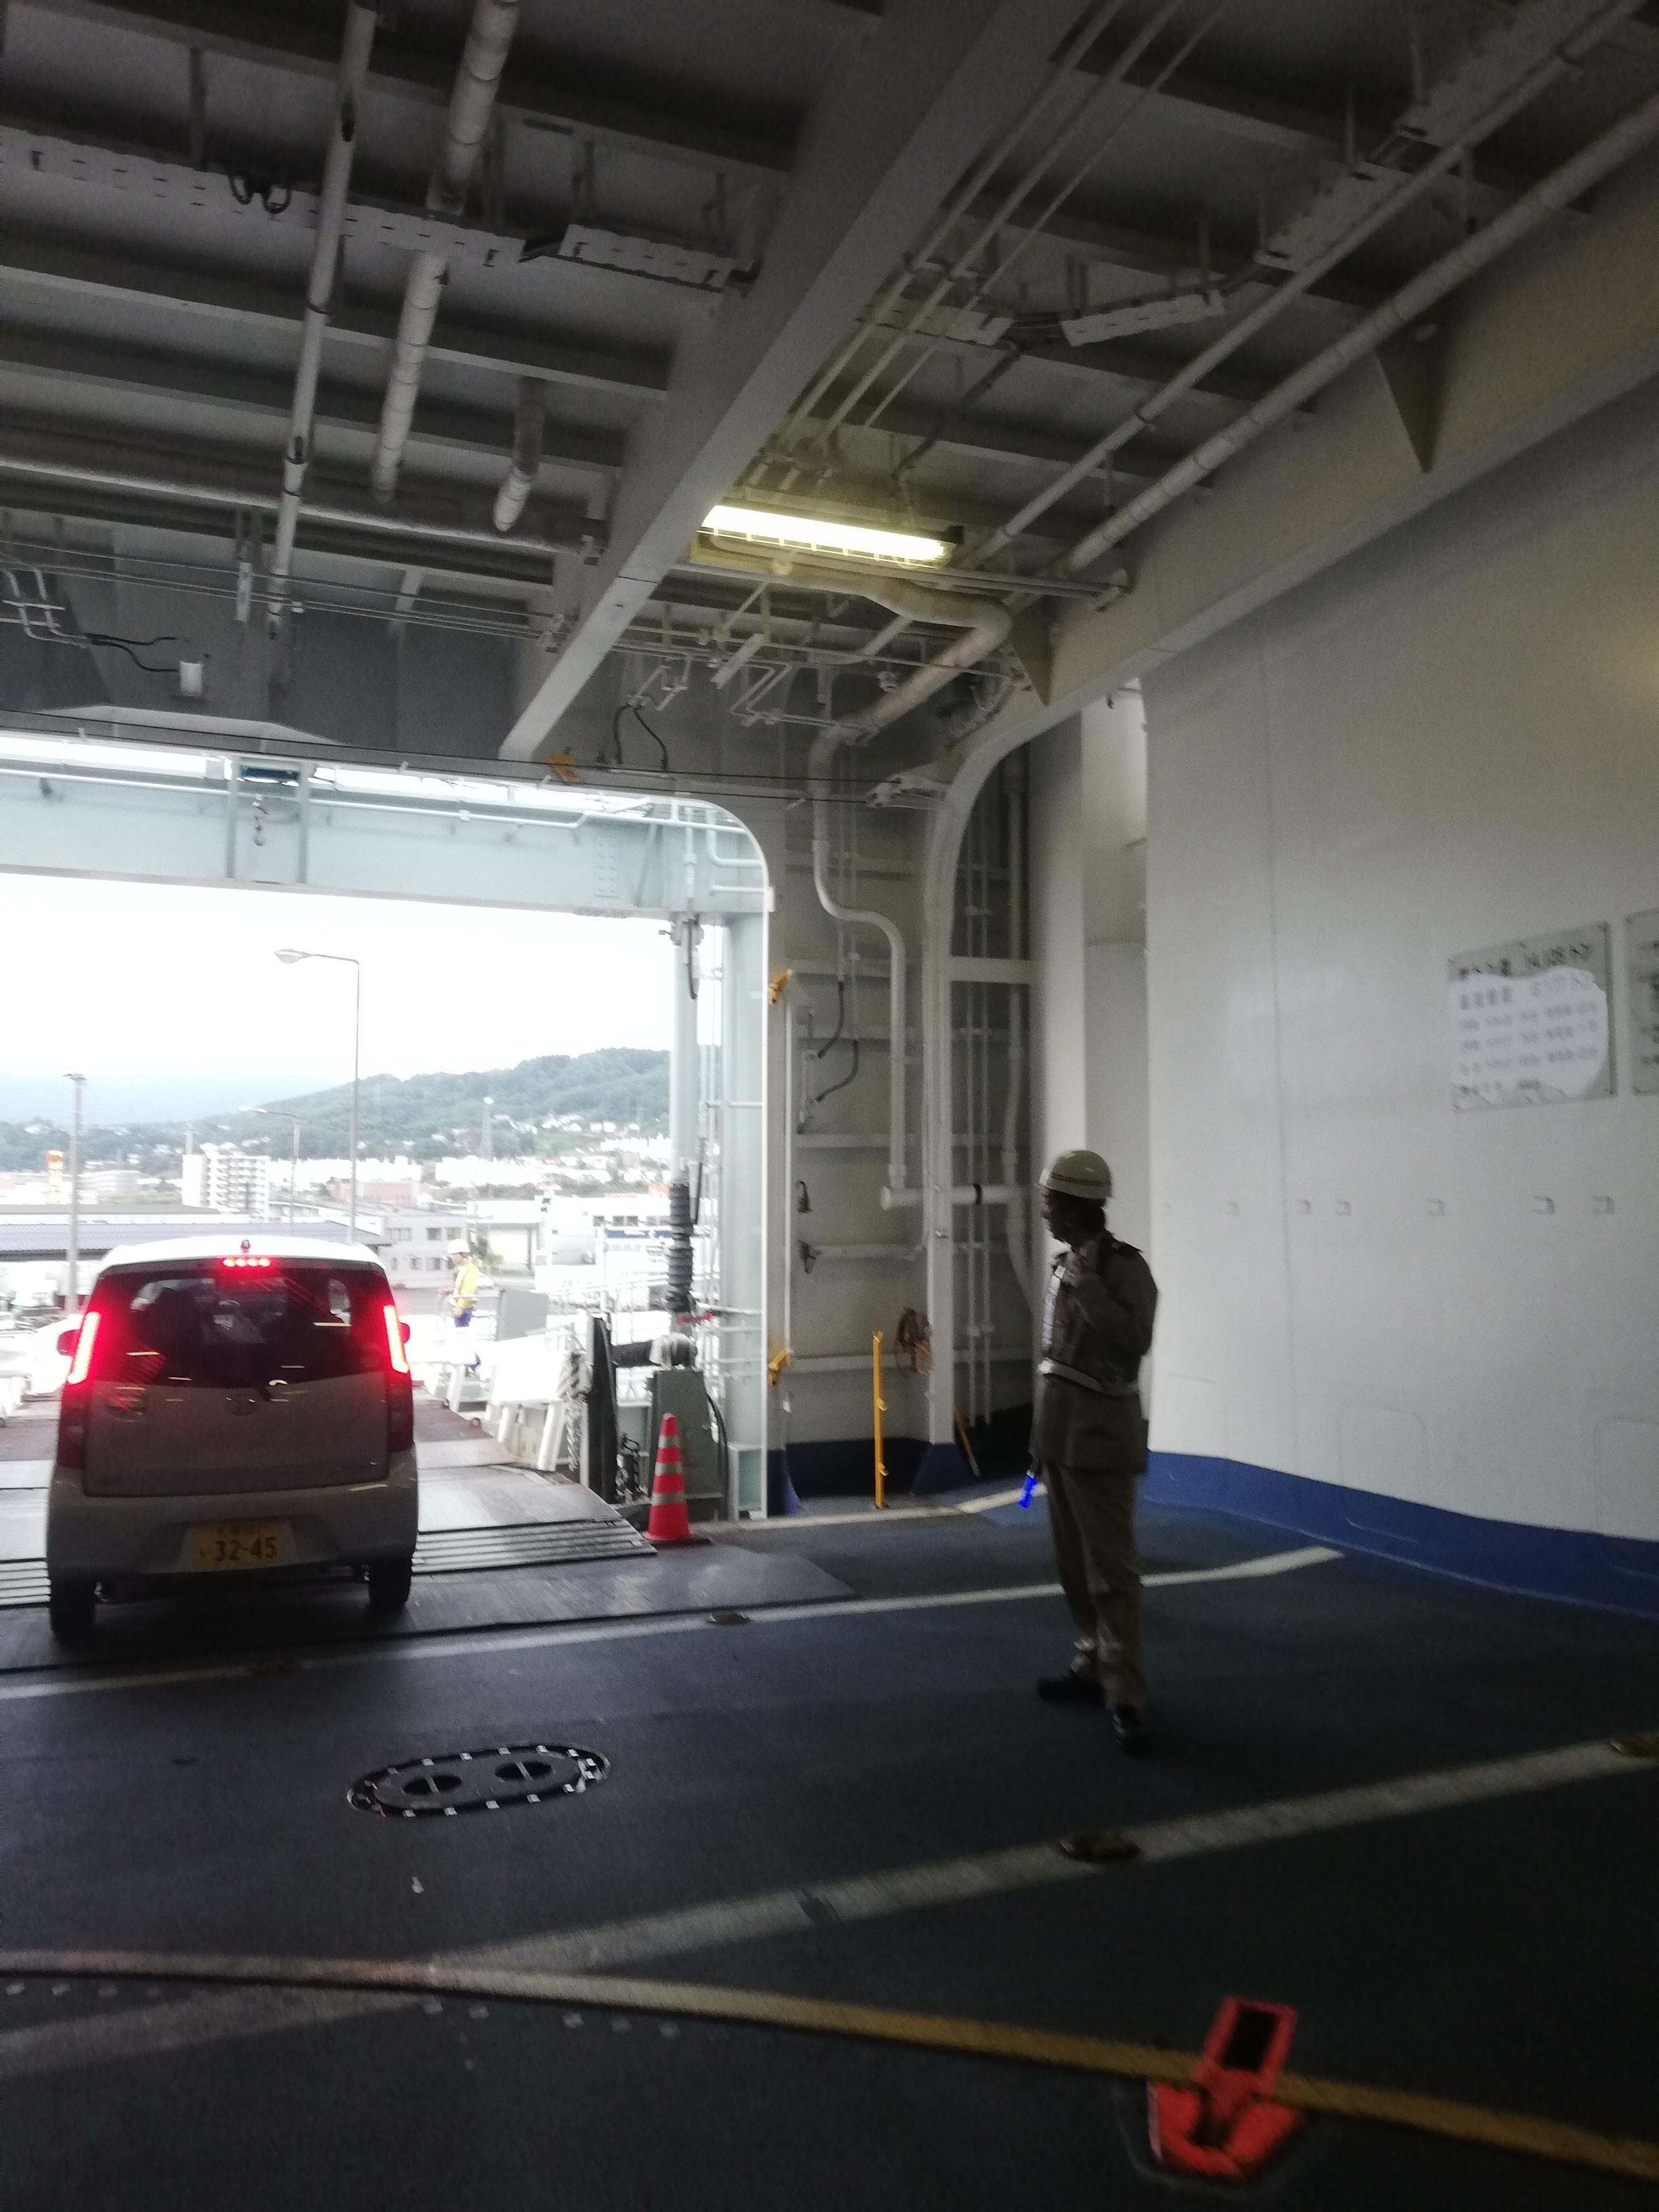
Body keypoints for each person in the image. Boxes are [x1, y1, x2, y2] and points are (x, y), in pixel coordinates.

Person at [1031, 1149, 1158, 1756]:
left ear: (1077, 1206)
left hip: (1101, 1438)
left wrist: (1090, 1290)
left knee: (1111, 1573)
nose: (1045, 1212)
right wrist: (1038, 1443)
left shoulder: (1124, 1269)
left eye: (1051, 1201)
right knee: (1073, 1567)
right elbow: (1054, 1360)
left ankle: (1124, 1691)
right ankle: (1090, 1660)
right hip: (1061, 1435)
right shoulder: (1062, 1266)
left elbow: (1133, 1342)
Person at [448, 1242, 480, 1328]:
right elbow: (459, 1287)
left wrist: (460, 1306)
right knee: (459, 1331)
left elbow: (469, 1290)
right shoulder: (459, 1268)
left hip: (464, 1308)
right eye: (451, 1255)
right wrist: (449, 1290)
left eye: (455, 1254)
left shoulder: (470, 1268)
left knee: (462, 1332)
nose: (452, 1257)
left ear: (463, 1255)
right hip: (458, 1306)